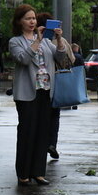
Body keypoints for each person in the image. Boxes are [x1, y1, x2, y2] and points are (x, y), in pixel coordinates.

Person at [9, 4, 70, 185]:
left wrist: (58, 40)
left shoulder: (45, 41)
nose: (32, 21)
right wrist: (36, 41)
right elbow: (23, 59)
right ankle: (23, 173)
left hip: (46, 91)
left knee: (43, 133)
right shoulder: (15, 41)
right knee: (27, 132)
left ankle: (38, 172)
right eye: (28, 18)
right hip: (27, 93)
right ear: (20, 21)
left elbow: (60, 58)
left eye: (34, 18)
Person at [37, 12, 73, 160]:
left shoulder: (39, 41)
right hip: (57, 83)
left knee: (42, 115)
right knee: (54, 115)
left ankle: (43, 143)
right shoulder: (60, 40)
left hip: (43, 83)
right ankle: (52, 143)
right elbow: (71, 60)